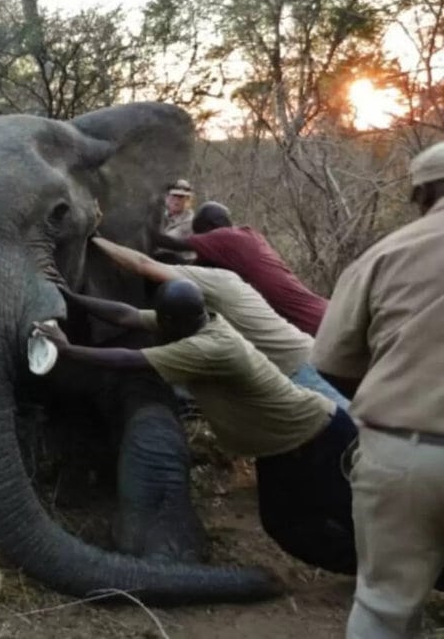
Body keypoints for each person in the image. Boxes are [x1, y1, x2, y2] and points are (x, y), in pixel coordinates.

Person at [33, 279, 358, 575]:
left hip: (318, 435)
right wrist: (72, 296)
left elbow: (128, 360)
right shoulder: (192, 322)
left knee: (352, 510)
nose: (158, 328)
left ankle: (379, 574)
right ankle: (362, 568)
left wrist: (68, 350)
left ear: (174, 323)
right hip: (278, 447)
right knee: (281, 525)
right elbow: (126, 315)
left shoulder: (209, 348)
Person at [312, 141, 444, 639]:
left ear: (423, 193)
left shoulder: (384, 254)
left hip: (401, 454)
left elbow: (330, 361)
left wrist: (395, 394)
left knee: (383, 606)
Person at [84, 235, 348, 410]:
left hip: (300, 368)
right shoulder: (226, 285)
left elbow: (143, 264)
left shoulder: (209, 285)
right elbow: (130, 316)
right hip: (302, 360)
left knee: (351, 437)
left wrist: (95, 237)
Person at [150, 201, 328, 336]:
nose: (200, 238)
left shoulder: (229, 237)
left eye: (201, 234)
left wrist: (149, 213)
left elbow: (167, 242)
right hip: (319, 315)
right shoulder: (238, 246)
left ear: (211, 227)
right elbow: (189, 271)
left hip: (314, 322)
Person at [155, 179, 197, 262]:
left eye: (181, 197)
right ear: (167, 197)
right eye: (174, 195)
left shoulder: (191, 222)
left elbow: (165, 244)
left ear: (188, 200)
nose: (177, 200)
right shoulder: (160, 216)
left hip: (182, 264)